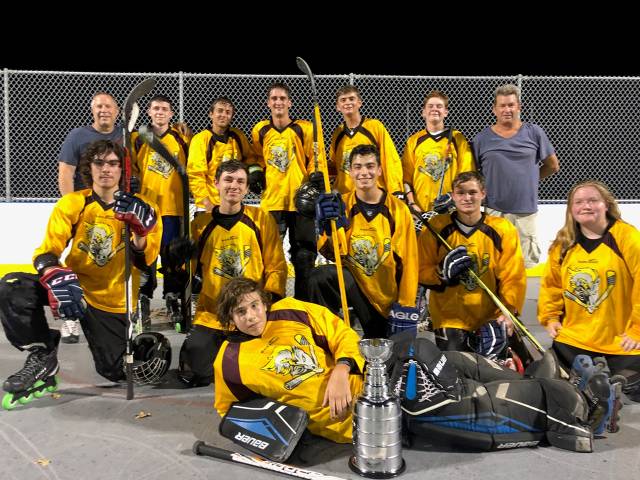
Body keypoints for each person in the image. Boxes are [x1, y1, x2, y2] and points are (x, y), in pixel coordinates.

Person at [0, 140, 162, 403]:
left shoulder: (143, 207)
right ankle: (42, 356)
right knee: (13, 286)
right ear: (89, 167)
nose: (105, 169)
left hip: (113, 300)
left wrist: (140, 233)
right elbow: (47, 250)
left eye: (113, 163)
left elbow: (146, 261)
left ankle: (135, 347)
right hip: (74, 287)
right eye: (99, 162)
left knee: (114, 371)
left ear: (123, 170)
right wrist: (52, 272)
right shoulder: (74, 203)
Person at [389, 335, 612, 453]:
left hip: (403, 383)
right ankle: (580, 402)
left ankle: (546, 384)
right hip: (437, 399)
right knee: (419, 354)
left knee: (462, 362)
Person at [175, 160, 286, 387]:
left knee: (264, 371)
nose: (234, 185)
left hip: (250, 314)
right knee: (195, 371)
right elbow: (187, 274)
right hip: (213, 315)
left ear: (246, 188)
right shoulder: (200, 225)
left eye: (240, 181)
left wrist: (267, 304)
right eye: (228, 180)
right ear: (216, 183)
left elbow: (276, 266)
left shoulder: (261, 220)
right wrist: (175, 257)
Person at [213, 277, 364, 443]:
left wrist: (342, 368)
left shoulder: (292, 310)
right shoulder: (228, 361)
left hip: (366, 390)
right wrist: (265, 439)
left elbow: (342, 334)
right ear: (230, 318)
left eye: (254, 305)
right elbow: (230, 412)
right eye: (241, 312)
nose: (251, 316)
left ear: (264, 304)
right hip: (333, 431)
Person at [538, 180, 640, 402]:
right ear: (571, 208)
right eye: (579, 202)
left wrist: (637, 330)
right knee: (559, 391)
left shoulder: (627, 237)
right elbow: (552, 285)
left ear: (606, 205)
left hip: (622, 338)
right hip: (577, 335)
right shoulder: (563, 243)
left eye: (593, 200)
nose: (586, 206)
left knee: (633, 389)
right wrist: (551, 317)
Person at [308, 144, 419, 338]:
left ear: (379, 170)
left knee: (384, 350)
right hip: (355, 287)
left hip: (383, 300)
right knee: (320, 276)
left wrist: (406, 306)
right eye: (358, 167)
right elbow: (334, 254)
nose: (364, 172)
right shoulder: (340, 204)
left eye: (370, 166)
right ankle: (327, 335)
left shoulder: (398, 210)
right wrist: (329, 229)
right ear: (350, 171)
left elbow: (409, 261)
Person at [418, 171, 526, 352]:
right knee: (457, 368)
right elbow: (420, 271)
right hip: (449, 319)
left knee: (509, 366)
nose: (467, 198)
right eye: (461, 193)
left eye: (472, 192)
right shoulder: (436, 227)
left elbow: (513, 276)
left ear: (483, 194)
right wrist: (440, 273)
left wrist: (508, 309)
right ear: (453, 196)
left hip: (492, 317)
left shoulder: (502, 229)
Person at [57, 91, 121, 342]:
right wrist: (72, 207)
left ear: (117, 111)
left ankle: (119, 314)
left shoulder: (125, 135)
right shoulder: (78, 136)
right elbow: (65, 172)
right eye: (99, 106)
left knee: (115, 262)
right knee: (77, 260)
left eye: (108, 106)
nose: (103, 110)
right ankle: (70, 317)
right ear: (92, 110)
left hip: (115, 210)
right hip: (85, 209)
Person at [473, 84, 560, 269]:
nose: (507, 110)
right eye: (502, 105)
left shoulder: (534, 132)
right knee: (494, 266)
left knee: (525, 267)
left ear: (519, 107)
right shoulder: (481, 139)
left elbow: (553, 166)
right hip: (494, 212)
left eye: (511, 105)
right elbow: (474, 174)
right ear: (494, 109)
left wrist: (529, 179)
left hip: (525, 213)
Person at [251, 82, 318, 300]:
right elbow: (256, 158)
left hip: (300, 203)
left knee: (304, 255)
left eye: (282, 98)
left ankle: (303, 303)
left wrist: (314, 178)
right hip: (272, 202)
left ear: (290, 102)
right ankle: (274, 301)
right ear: (268, 103)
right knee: (270, 256)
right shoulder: (260, 130)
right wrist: (255, 171)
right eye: (274, 98)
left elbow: (313, 159)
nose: (278, 102)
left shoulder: (304, 128)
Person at [131, 94, 191, 328]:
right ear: (149, 112)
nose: (160, 112)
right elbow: (132, 168)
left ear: (171, 114)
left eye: (164, 109)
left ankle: (172, 298)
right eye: (156, 108)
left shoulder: (181, 138)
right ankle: (143, 299)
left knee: (171, 257)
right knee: (145, 257)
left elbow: (190, 166)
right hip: (146, 208)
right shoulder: (139, 138)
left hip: (172, 208)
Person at [402, 90, 475, 216]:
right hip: (421, 211)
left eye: (439, 106)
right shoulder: (414, 141)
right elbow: (406, 178)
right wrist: (412, 203)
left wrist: (452, 198)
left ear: (445, 112)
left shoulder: (457, 138)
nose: (434, 109)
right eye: (430, 106)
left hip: (450, 209)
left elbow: (467, 174)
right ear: (423, 112)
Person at [329, 85, 404, 197]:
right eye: (343, 100)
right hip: (346, 196)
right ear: (338, 107)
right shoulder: (337, 133)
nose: (348, 103)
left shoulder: (374, 126)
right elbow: (335, 165)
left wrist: (396, 189)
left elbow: (390, 159)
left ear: (359, 103)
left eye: (351, 99)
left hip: (372, 194)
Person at [187, 96, 254, 213]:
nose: (223, 115)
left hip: (233, 205)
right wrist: (206, 203)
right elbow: (195, 175)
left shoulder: (238, 136)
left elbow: (250, 159)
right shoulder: (201, 139)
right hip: (209, 206)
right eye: (220, 111)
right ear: (211, 114)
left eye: (228, 112)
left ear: (232, 116)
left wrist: (253, 175)